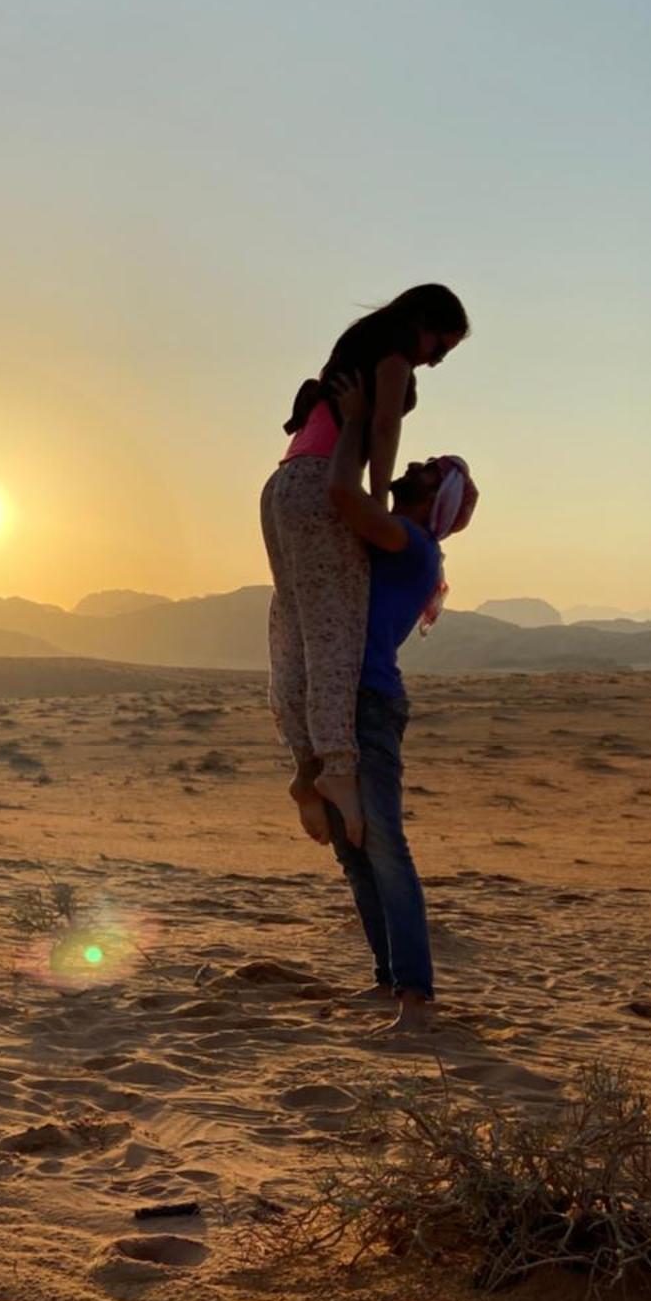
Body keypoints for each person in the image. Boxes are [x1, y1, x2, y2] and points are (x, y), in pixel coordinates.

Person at [260, 284, 469, 846]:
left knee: (296, 629)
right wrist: (375, 495)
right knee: (333, 635)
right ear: (424, 321)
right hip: (323, 485)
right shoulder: (395, 354)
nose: (436, 359)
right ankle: (337, 770)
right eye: (441, 346)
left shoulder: (357, 343)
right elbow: (384, 430)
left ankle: (306, 768)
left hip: (283, 483)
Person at [321, 381, 477, 1033]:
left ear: (431, 500)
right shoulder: (404, 544)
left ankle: (415, 994)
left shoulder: (413, 545)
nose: (413, 465)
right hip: (345, 697)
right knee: (352, 848)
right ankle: (388, 980)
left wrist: (359, 421)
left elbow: (341, 496)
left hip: (370, 701)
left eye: (428, 470)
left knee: (383, 843)